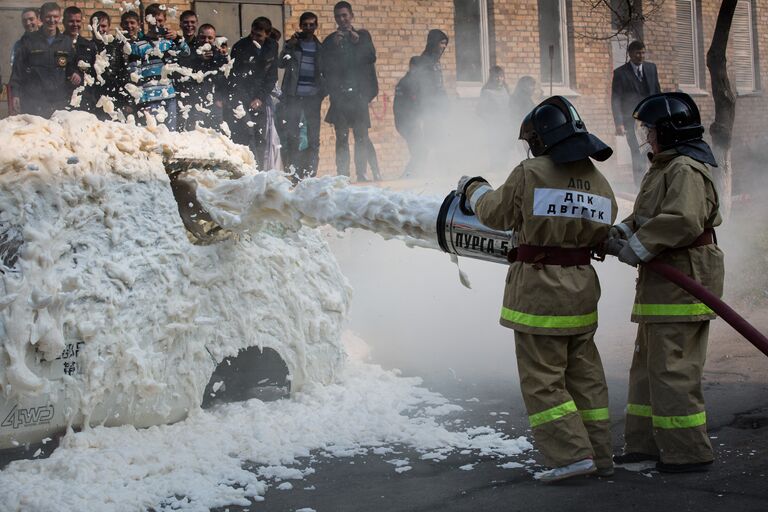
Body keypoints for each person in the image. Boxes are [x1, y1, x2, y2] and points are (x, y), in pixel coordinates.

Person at [458, 96, 617, 483]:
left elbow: (495, 213)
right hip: (581, 290)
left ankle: (569, 456)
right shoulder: (598, 181)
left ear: (541, 140)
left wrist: (473, 188)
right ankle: (599, 454)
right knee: (585, 377)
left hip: (540, 293)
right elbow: (604, 228)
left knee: (543, 378)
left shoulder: (531, 172)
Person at [608, 92, 723, 473]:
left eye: (651, 129)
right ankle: (645, 445)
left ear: (671, 131)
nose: (646, 136)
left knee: (673, 370)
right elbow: (648, 216)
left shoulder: (685, 169)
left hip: (683, 282)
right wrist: (622, 232)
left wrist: (638, 246)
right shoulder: (662, 168)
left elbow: (683, 220)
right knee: (647, 370)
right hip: (663, 286)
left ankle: (687, 453)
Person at [321, 1, 380, 182]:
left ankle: (361, 173)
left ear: (351, 16)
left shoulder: (362, 36)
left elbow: (371, 57)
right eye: (338, 16)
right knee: (341, 137)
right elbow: (324, 66)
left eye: (345, 15)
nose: (342, 19)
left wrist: (358, 43)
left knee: (361, 137)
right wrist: (334, 48)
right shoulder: (330, 41)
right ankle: (343, 175)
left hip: (358, 96)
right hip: (340, 97)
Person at [125, 3, 190, 130]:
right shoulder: (138, 45)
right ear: (147, 20)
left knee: (170, 134)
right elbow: (134, 75)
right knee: (153, 135)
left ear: (165, 20)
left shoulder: (169, 42)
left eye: (160, 20)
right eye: (153, 20)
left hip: (169, 96)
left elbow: (186, 52)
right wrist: (139, 99)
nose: (157, 24)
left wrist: (177, 37)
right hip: (149, 97)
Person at [278, 11, 325, 181]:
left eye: (312, 24)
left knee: (313, 137)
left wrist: (321, 93)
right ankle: (295, 174)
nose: (308, 27)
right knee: (293, 136)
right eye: (305, 24)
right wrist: (289, 44)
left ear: (316, 26)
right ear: (301, 25)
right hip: (294, 96)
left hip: (313, 97)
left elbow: (325, 72)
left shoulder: (320, 48)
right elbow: (281, 63)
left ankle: (311, 174)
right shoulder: (293, 45)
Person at [227, 17, 278, 169]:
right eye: (252, 34)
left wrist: (260, 98)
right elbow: (234, 76)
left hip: (260, 97)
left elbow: (272, 76)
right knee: (247, 134)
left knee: (261, 135)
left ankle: (261, 170)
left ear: (267, 34)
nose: (254, 38)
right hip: (242, 97)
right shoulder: (240, 46)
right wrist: (246, 99)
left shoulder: (272, 46)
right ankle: (251, 170)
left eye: (259, 36)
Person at [9, 2, 74, 118]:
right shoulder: (29, 41)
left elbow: (72, 67)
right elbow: (18, 70)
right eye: (48, 16)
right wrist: (15, 94)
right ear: (41, 18)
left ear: (60, 18)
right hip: (34, 102)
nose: (52, 20)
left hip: (59, 102)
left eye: (55, 16)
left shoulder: (66, 42)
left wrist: (76, 74)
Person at [611, 40, 661, 189]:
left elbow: (657, 91)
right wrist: (619, 123)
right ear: (630, 54)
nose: (641, 56)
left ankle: (656, 185)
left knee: (656, 152)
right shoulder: (620, 73)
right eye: (638, 53)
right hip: (631, 121)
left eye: (643, 52)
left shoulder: (651, 68)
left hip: (652, 120)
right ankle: (640, 188)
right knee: (637, 153)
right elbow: (616, 99)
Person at [402, 28, 449, 178]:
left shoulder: (436, 62)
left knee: (435, 144)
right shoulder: (424, 62)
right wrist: (424, 110)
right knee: (427, 147)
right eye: (441, 43)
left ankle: (433, 173)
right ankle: (410, 175)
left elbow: (439, 87)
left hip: (436, 109)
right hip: (427, 110)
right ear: (433, 43)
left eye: (445, 44)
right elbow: (422, 89)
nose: (443, 47)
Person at [178, 24, 228, 131]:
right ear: (198, 37)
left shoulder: (219, 55)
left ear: (214, 39)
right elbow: (183, 67)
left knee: (216, 133)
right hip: (196, 100)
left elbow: (224, 78)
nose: (206, 40)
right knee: (197, 132)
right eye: (203, 37)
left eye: (210, 38)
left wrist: (221, 99)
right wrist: (199, 58)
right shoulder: (191, 51)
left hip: (215, 101)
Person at [477, 66, 511, 171]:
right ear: (492, 77)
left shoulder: (505, 89)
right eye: (496, 77)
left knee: (505, 146)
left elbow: (510, 106)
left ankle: (504, 167)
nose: (499, 79)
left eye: (501, 76)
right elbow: (481, 110)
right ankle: (496, 168)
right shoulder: (487, 91)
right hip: (494, 124)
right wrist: (491, 120)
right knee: (495, 146)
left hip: (505, 123)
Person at [9, 7, 42, 115]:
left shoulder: (49, 41)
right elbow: (16, 72)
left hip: (50, 96)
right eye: (25, 20)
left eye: (31, 19)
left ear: (38, 19)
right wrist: (15, 95)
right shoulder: (18, 45)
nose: (28, 23)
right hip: (28, 96)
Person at [63, 6, 97, 109]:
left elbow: (94, 73)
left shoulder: (89, 46)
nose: (75, 24)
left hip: (84, 100)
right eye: (71, 21)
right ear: (64, 22)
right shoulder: (57, 44)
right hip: (62, 98)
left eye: (78, 21)